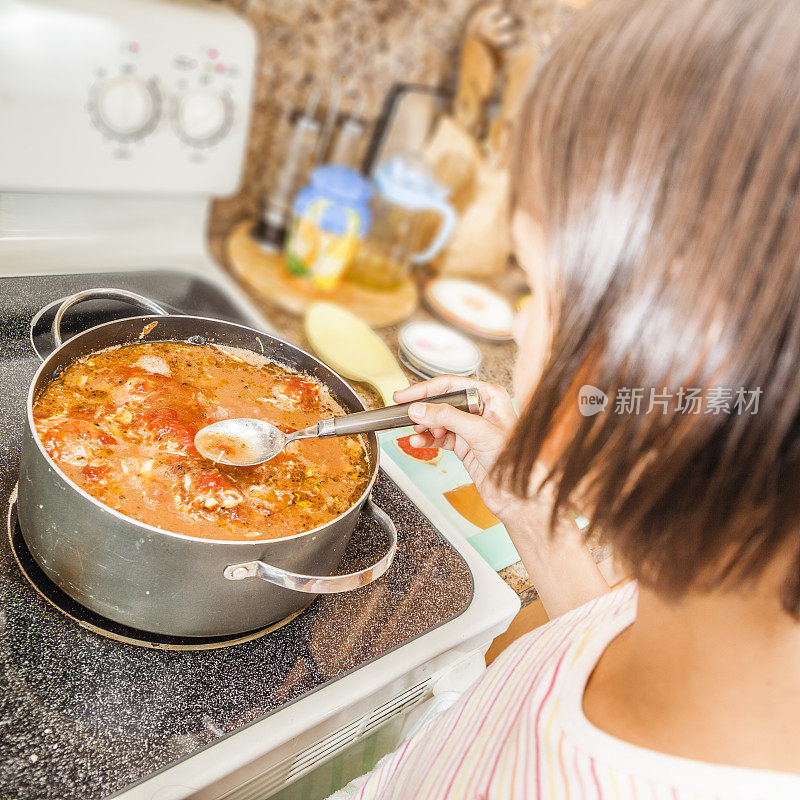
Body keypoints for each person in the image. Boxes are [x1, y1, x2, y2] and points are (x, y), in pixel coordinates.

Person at [345, 0, 800, 796]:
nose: (521, 323)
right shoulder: (718, 602)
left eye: (535, 282)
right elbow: (601, 638)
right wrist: (531, 507)